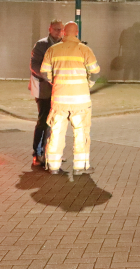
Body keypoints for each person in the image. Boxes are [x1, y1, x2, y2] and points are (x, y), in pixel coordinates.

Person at [40, 21, 100, 176]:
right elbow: (95, 72)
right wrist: (88, 85)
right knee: (81, 133)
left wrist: (55, 82)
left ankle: (53, 166)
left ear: (64, 33)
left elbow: (44, 72)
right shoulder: (85, 50)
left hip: (59, 100)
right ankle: (80, 167)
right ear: (77, 32)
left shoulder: (53, 50)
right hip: (80, 101)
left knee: (56, 132)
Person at [29, 19, 63, 167]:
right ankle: (37, 154)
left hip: (59, 89)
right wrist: (46, 77)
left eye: (61, 30)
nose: (59, 32)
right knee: (43, 121)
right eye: (56, 29)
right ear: (49, 29)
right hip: (43, 89)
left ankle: (48, 151)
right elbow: (34, 65)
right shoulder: (41, 45)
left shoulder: (63, 45)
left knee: (54, 122)